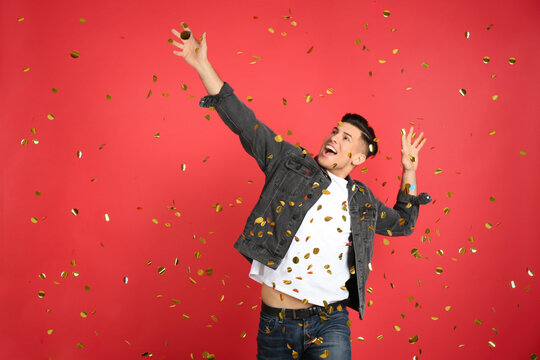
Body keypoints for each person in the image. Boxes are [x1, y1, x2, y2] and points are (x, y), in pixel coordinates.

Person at [170, 24, 432, 360]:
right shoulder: (289, 163)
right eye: (335, 131)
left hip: (329, 324)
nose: (334, 137)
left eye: (346, 138)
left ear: (359, 157)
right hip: (275, 324)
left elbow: (404, 224)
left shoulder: (360, 200)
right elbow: (245, 122)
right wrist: (202, 65)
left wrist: (409, 172)